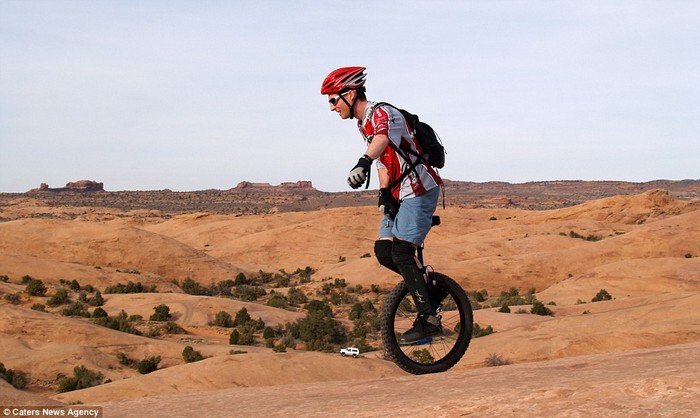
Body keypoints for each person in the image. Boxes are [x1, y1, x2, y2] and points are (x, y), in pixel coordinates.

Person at [321, 66, 444, 344]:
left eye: (332, 100)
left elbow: (382, 140)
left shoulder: (381, 114)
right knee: (384, 252)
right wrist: (384, 192)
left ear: (350, 94)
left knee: (401, 252)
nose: (331, 108)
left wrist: (362, 161)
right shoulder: (362, 123)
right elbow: (383, 160)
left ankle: (429, 319)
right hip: (399, 192)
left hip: (419, 189)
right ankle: (428, 289)